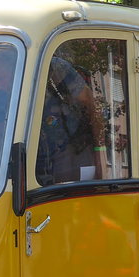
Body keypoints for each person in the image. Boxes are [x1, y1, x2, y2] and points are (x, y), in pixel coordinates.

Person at [35, 56, 105, 186]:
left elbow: (92, 106)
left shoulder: (57, 68)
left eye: (0, 79)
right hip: (42, 159)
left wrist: (100, 151)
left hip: (75, 153)